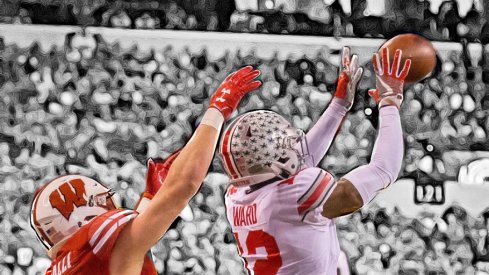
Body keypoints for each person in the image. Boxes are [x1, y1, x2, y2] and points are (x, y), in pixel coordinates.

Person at [30, 66, 262, 275]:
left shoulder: (65, 265)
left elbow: (131, 246)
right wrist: (217, 110)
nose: (110, 205)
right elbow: (185, 184)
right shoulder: (96, 243)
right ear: (81, 216)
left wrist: (151, 196)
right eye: (100, 201)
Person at [221, 47, 411, 274]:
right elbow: (384, 169)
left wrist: (339, 105)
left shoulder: (236, 195)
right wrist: (389, 103)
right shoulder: (295, 193)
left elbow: (299, 158)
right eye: (284, 145)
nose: (293, 146)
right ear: (274, 160)